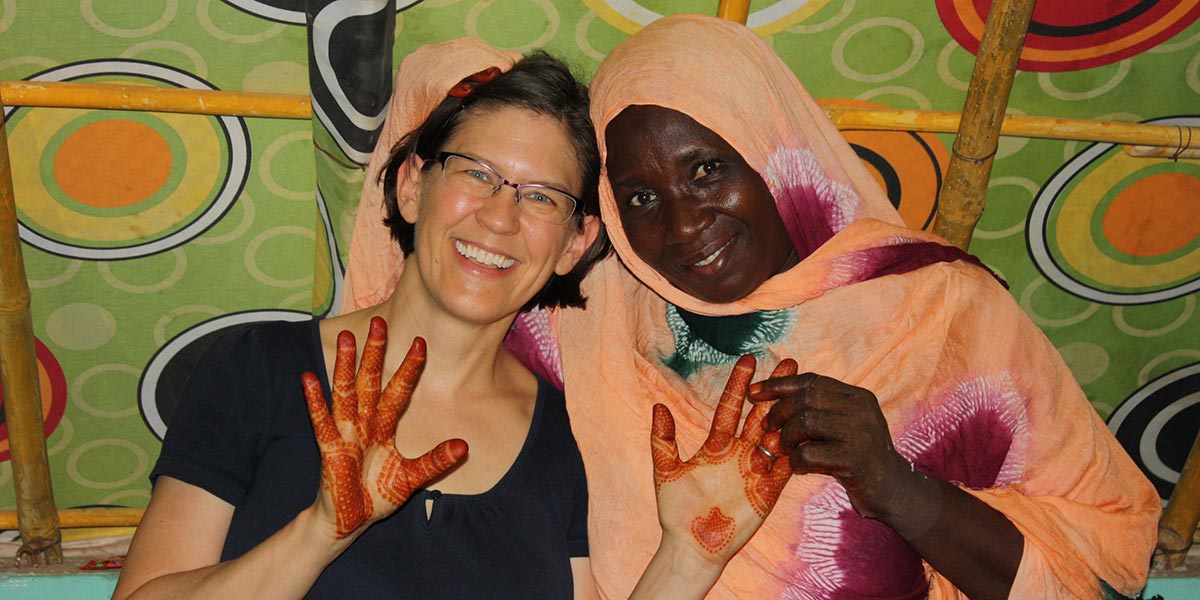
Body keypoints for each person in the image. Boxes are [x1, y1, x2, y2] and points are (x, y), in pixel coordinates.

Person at [113, 39, 794, 600]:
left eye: (541, 197)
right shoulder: (255, 369)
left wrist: (690, 556)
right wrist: (318, 533)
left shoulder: (564, 433)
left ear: (573, 244)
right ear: (411, 185)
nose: (499, 218)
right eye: (474, 173)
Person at [548, 13, 1161, 600]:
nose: (683, 227)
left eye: (707, 170)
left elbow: (1103, 567)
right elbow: (476, 179)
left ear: (771, 150)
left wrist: (892, 484)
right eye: (641, 198)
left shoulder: (941, 309)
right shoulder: (599, 308)